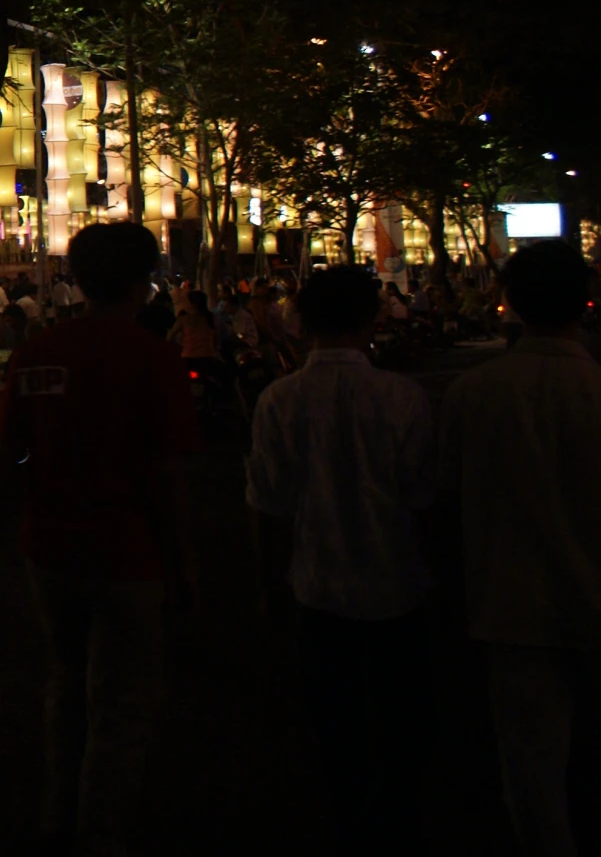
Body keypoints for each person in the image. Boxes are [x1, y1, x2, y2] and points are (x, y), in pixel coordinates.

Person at [0, 221, 200, 857]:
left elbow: (5, 456)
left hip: (49, 550)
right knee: (120, 701)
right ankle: (100, 830)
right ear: (144, 284)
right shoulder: (154, 359)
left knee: (65, 679)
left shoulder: (40, 352)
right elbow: (169, 475)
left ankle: (60, 814)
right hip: (128, 553)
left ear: (78, 280)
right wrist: (183, 564)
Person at [244, 265, 435, 857]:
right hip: (396, 580)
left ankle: (347, 816)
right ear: (367, 321)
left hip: (315, 582)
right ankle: (398, 818)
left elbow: (268, 506)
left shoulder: (279, 400)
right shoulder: (402, 396)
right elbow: (424, 496)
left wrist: (268, 585)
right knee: (399, 714)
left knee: (335, 717)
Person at [438, 238, 601, 857]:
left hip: (511, 605)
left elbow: (445, 496)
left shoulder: (476, 393)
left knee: (533, 776)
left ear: (508, 302)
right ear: (585, 303)